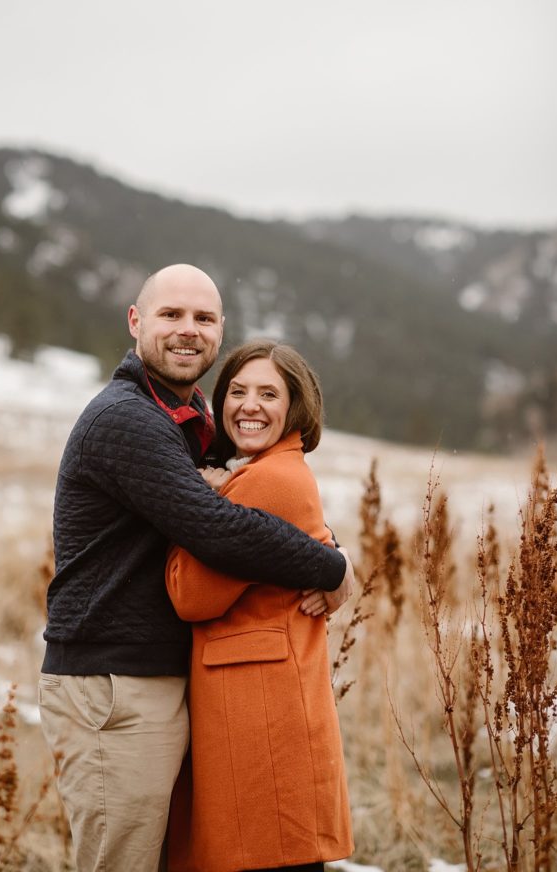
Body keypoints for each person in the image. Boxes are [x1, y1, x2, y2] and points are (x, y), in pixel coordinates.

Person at [38, 264, 354, 872]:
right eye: (170, 315)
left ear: (220, 332)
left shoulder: (191, 420)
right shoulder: (126, 419)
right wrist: (330, 565)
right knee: (121, 863)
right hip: (113, 682)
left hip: (156, 677)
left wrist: (322, 538)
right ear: (135, 322)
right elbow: (218, 528)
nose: (188, 331)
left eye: (203, 319)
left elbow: (256, 497)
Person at [166, 340, 354, 872]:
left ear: (295, 407)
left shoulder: (266, 479)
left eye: (269, 394)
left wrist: (192, 510)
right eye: (238, 391)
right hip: (262, 704)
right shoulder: (265, 470)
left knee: (270, 858)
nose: (249, 405)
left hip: (261, 714)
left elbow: (190, 595)